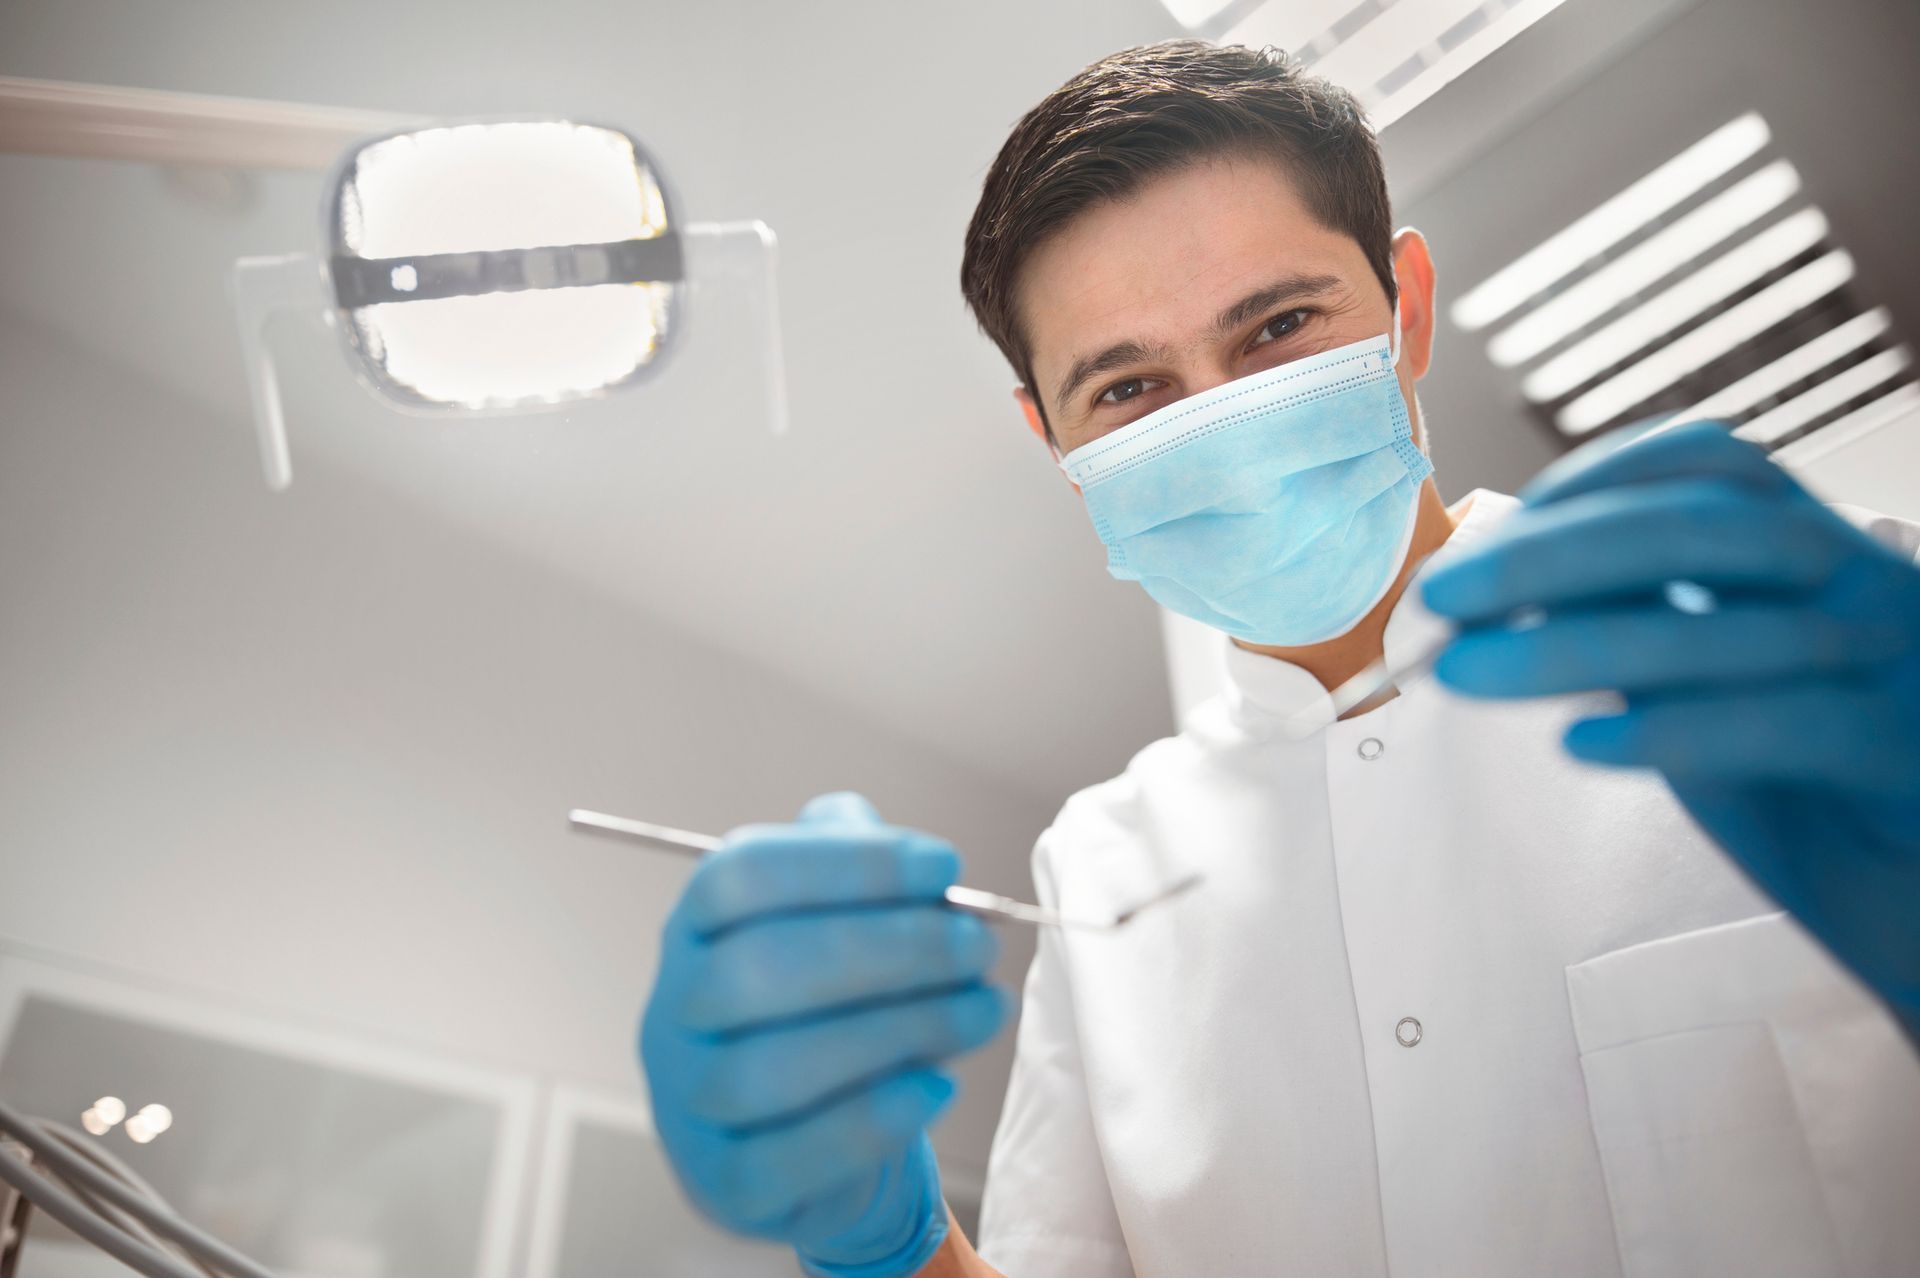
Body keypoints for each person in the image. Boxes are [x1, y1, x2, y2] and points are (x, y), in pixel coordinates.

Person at [638, 40, 1920, 1278]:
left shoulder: (1810, 655)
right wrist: (884, 1246)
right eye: (1128, 389)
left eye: (1279, 326)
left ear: (1405, 306)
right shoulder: (1102, 867)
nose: (1223, 420)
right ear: (1056, 443)